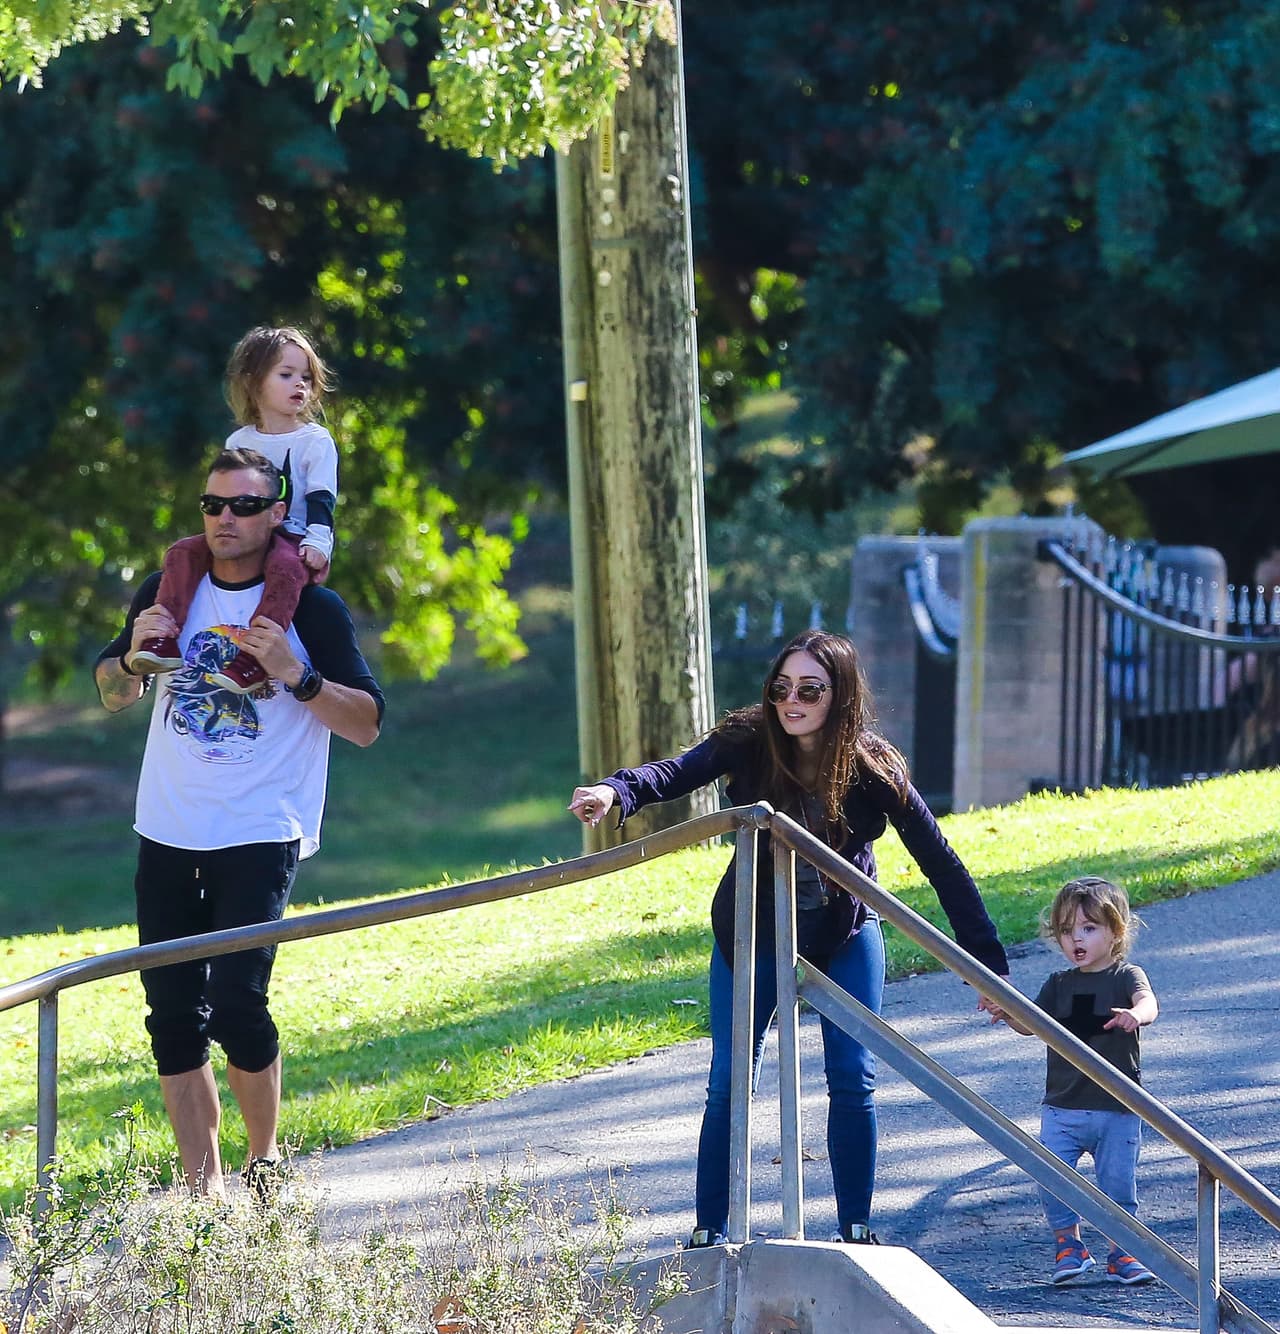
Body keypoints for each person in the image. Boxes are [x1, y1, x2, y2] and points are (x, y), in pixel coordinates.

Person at [567, 629, 1009, 1247]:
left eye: (809, 689)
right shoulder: (748, 741)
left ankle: (856, 1226)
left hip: (843, 932)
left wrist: (988, 969)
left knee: (851, 1075)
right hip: (751, 932)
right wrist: (616, 791)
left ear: (841, 695)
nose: (791, 701)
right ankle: (707, 1230)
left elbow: (942, 863)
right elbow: (674, 772)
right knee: (729, 1080)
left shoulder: (871, 765)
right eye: (781, 688)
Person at [94, 446, 384, 1201]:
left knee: (236, 1002)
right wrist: (128, 661)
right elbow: (109, 691)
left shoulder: (313, 611)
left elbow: (366, 725)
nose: (226, 518)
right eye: (214, 505)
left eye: (245, 505)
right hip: (166, 827)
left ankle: (264, 1160)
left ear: (277, 514)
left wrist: (298, 673)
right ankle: (204, 1189)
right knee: (170, 1016)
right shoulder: (168, 589)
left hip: (261, 828)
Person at [131, 326, 339, 695]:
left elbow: (323, 497)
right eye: (286, 375)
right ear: (253, 381)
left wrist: (320, 541)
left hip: (291, 538)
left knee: (285, 568)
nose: (300, 386)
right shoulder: (240, 440)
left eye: (306, 377)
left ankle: (254, 660)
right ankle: (163, 638)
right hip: (246, 532)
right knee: (181, 552)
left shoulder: (315, 440)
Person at [988, 876, 1158, 1286]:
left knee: (1118, 1185)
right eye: (1066, 931)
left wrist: (1137, 1015)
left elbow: (1149, 1002)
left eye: (1088, 928)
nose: (1075, 940)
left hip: (1117, 1108)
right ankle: (1070, 1246)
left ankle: (1122, 1252)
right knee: (1053, 1178)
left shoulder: (1125, 975)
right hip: (1062, 1107)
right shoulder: (1058, 984)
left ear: (1116, 932)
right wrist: (1008, 1014)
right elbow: (1033, 1025)